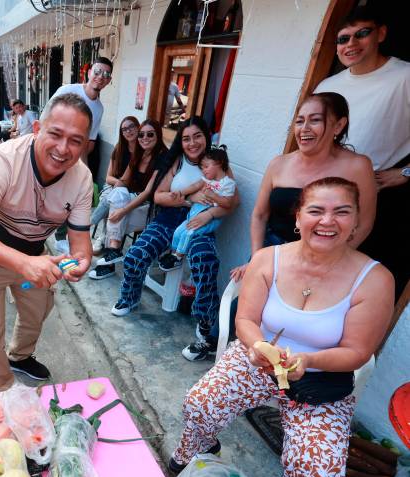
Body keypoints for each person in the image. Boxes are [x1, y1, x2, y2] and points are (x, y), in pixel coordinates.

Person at [169, 178, 394, 477]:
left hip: (320, 378)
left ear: (356, 221)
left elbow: (358, 351)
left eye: (342, 211)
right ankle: (194, 448)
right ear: (298, 217)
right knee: (201, 403)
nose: (328, 221)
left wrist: (310, 361)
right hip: (259, 358)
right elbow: (247, 320)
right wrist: (258, 346)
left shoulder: (374, 279)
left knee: (318, 471)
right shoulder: (268, 258)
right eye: (316, 211)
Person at [0, 93, 93, 391]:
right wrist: (23, 262)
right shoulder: (3, 160)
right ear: (36, 130)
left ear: (84, 145)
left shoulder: (82, 179)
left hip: (34, 254)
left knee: (37, 312)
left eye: (75, 140)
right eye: (55, 134)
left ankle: (19, 356)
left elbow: (80, 241)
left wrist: (81, 261)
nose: (62, 149)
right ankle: (0, 392)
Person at [111, 117, 238, 362]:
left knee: (206, 260)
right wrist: (191, 199)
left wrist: (209, 212)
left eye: (197, 136)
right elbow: (158, 197)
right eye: (186, 138)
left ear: (207, 136)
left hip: (200, 221)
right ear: (181, 141)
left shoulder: (217, 163)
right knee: (137, 253)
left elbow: (232, 203)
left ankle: (206, 325)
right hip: (172, 217)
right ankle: (130, 297)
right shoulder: (176, 161)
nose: (192, 143)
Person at [314, 4, 410, 299]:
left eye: (362, 34)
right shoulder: (328, 86)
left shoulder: (404, 76)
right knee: (321, 276)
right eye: (343, 38)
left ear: (381, 34)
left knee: (359, 285)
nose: (351, 44)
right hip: (328, 197)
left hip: (383, 202)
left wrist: (406, 172)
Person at [231, 93, 376, 282]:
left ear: (339, 125)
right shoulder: (278, 164)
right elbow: (259, 215)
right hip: (271, 252)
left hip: (324, 260)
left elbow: (363, 224)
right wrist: (257, 258)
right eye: (299, 121)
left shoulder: (358, 167)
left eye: (315, 120)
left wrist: (334, 261)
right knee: (241, 308)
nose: (304, 129)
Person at [49, 57, 113, 255]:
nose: (100, 77)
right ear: (88, 72)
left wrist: (84, 170)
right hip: (52, 153)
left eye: (106, 74)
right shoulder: (67, 91)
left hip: (73, 159)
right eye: (97, 71)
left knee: (69, 198)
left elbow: (88, 142)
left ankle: (62, 238)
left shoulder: (98, 108)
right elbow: (46, 121)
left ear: (109, 80)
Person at [89, 120, 167, 280]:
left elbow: (147, 193)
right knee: (117, 196)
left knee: (117, 214)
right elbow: (123, 180)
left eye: (150, 134)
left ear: (158, 135)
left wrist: (121, 210)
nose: (145, 138)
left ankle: (92, 232)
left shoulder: (162, 158)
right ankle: (113, 252)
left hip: (148, 208)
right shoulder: (138, 155)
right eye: (142, 135)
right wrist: (113, 193)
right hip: (132, 202)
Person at [159, 147, 236, 271]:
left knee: (189, 233)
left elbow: (228, 203)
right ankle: (174, 252)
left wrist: (214, 196)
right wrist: (179, 193)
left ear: (219, 163)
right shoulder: (207, 180)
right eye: (202, 167)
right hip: (194, 212)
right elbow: (195, 186)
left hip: (209, 218)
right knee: (179, 231)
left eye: (206, 166)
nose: (203, 170)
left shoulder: (228, 184)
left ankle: (178, 257)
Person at [90, 116, 141, 254]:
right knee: (109, 197)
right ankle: (103, 235)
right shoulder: (119, 148)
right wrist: (118, 183)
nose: (128, 131)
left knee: (113, 201)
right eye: (124, 129)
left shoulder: (143, 150)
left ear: (138, 127)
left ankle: (93, 227)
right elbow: (108, 178)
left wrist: (121, 184)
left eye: (131, 127)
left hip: (130, 191)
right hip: (113, 185)